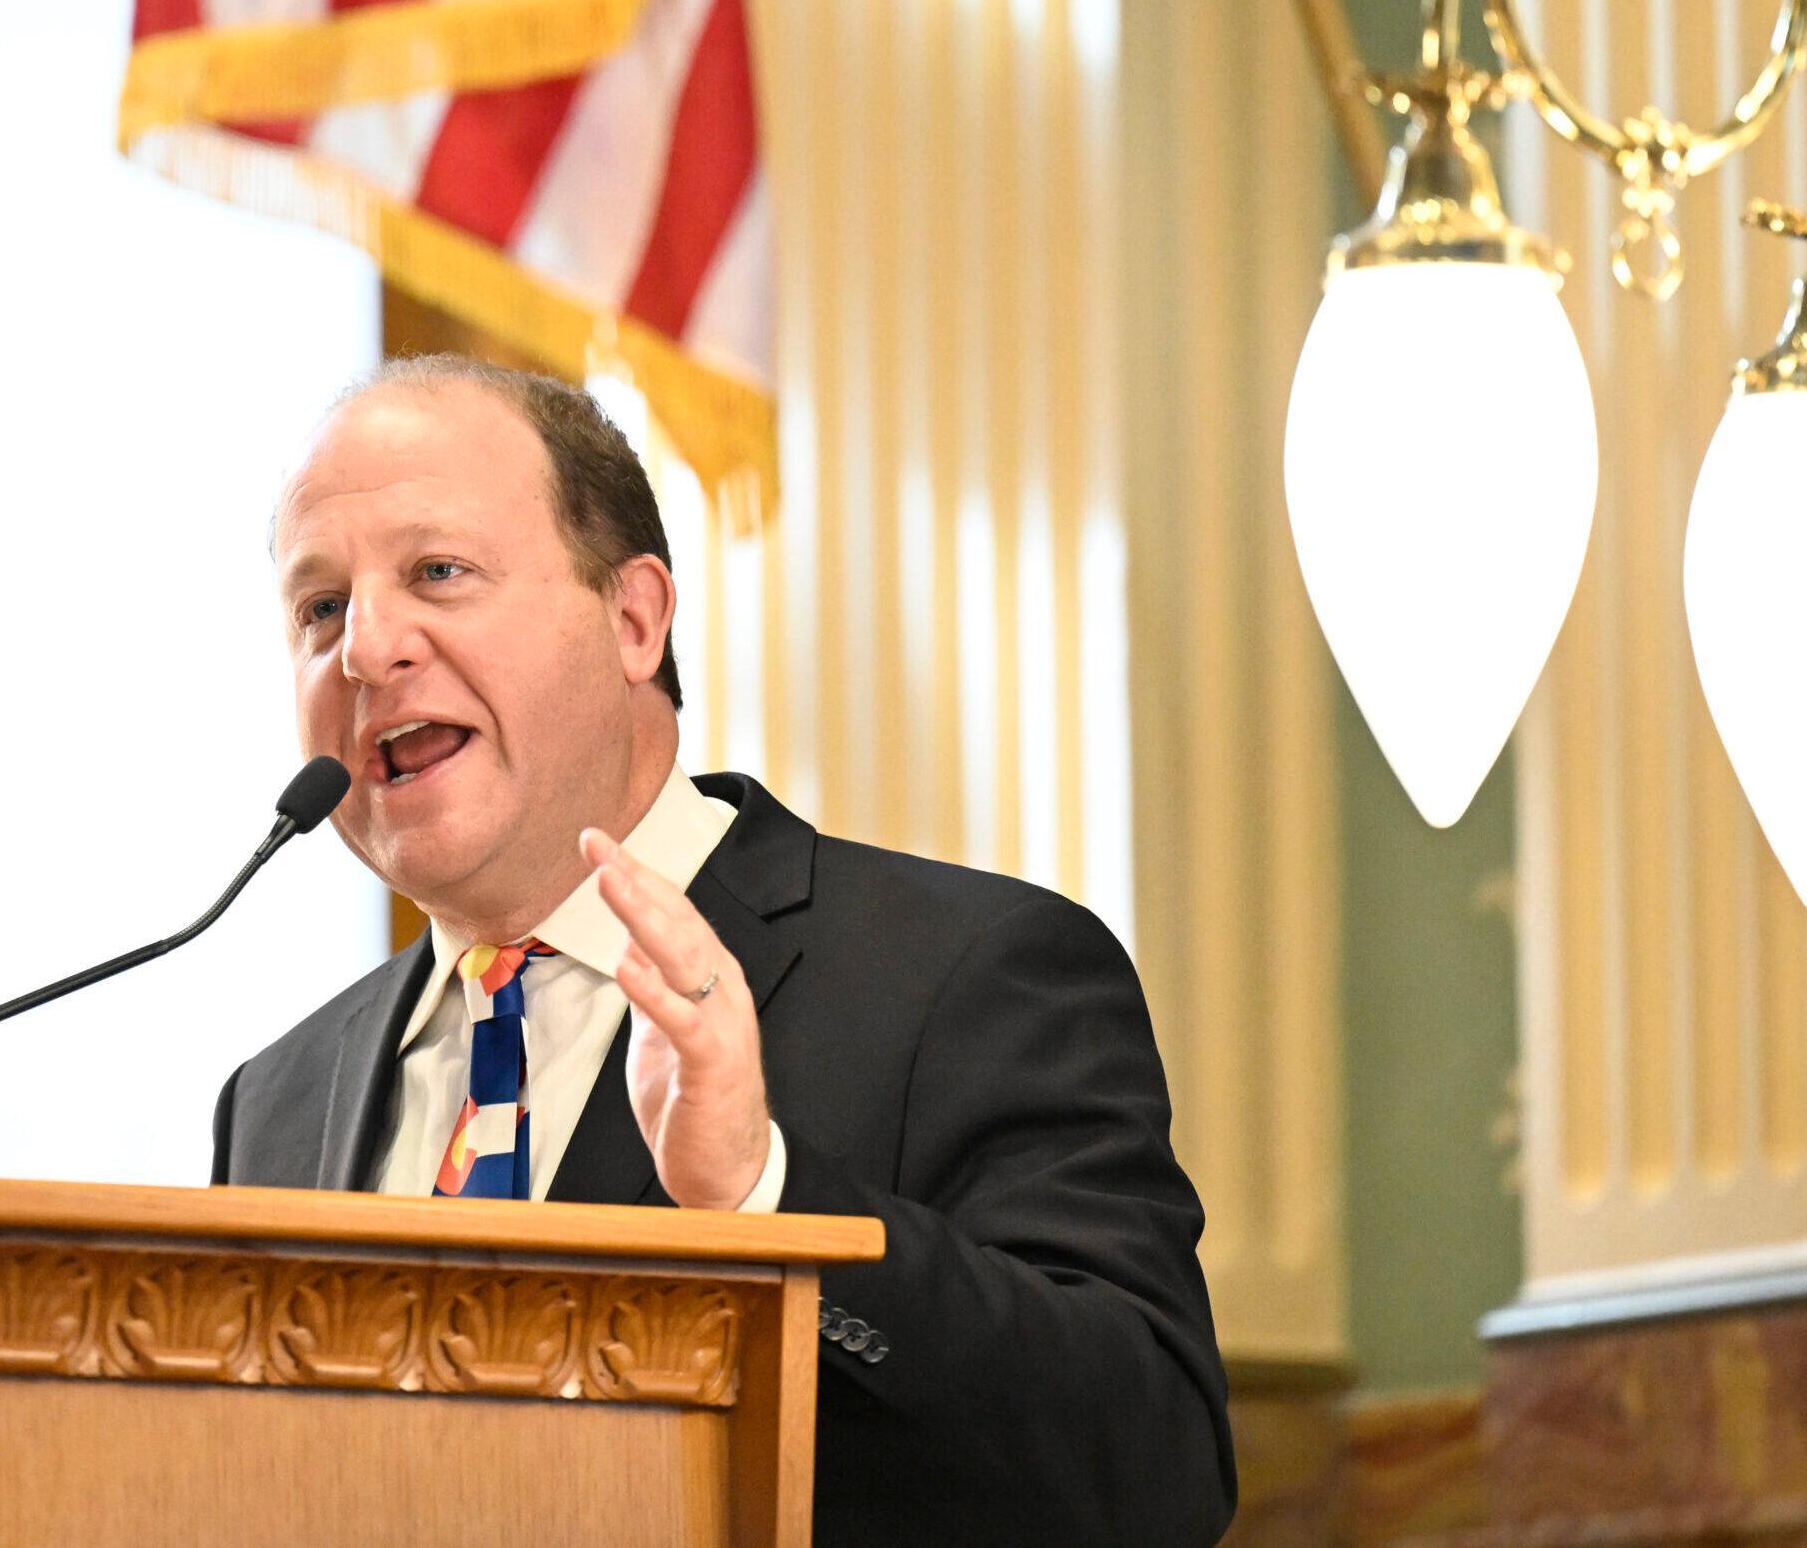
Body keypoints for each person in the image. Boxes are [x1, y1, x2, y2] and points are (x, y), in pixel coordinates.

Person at [211, 354, 1234, 1545]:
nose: (365, 649)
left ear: (635, 616)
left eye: (439, 572)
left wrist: (763, 1193)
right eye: (319, 607)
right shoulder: (276, 1101)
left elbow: (1150, 1473)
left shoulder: (970, 973)